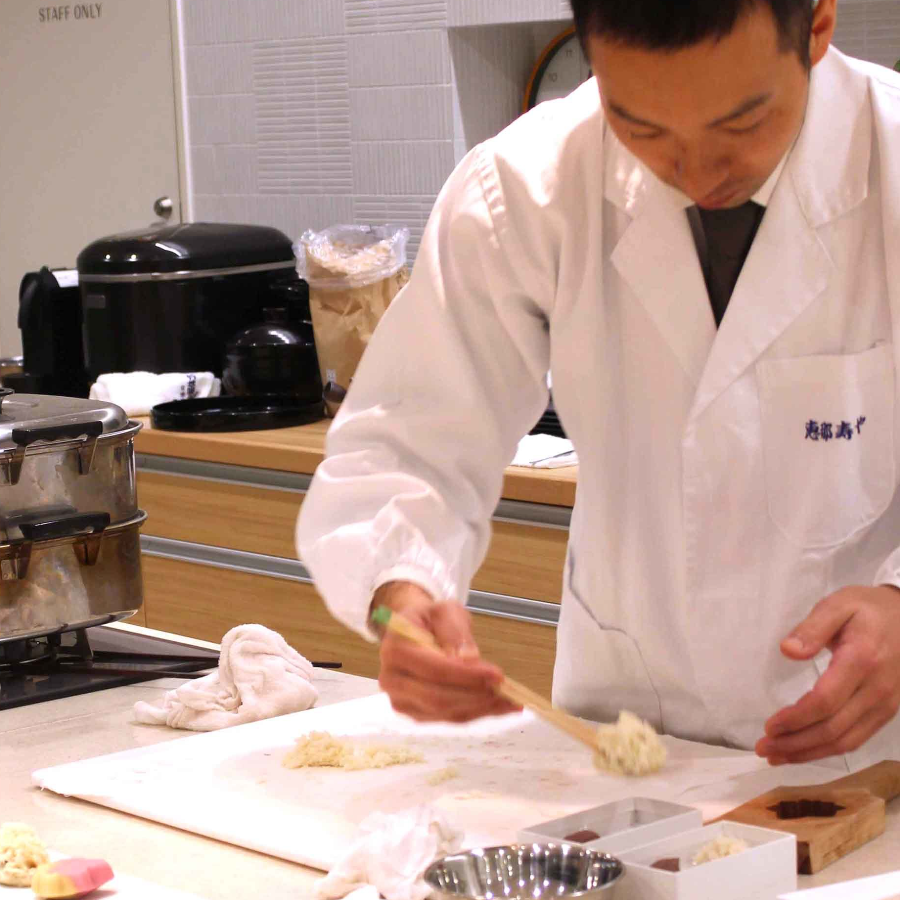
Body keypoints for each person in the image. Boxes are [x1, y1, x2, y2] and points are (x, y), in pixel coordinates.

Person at [297, 0, 900, 773]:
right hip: (626, 734)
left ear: (816, 24)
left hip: (875, 755)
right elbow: (408, 447)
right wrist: (399, 594)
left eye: (742, 123)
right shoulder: (524, 186)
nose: (696, 175)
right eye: (640, 126)